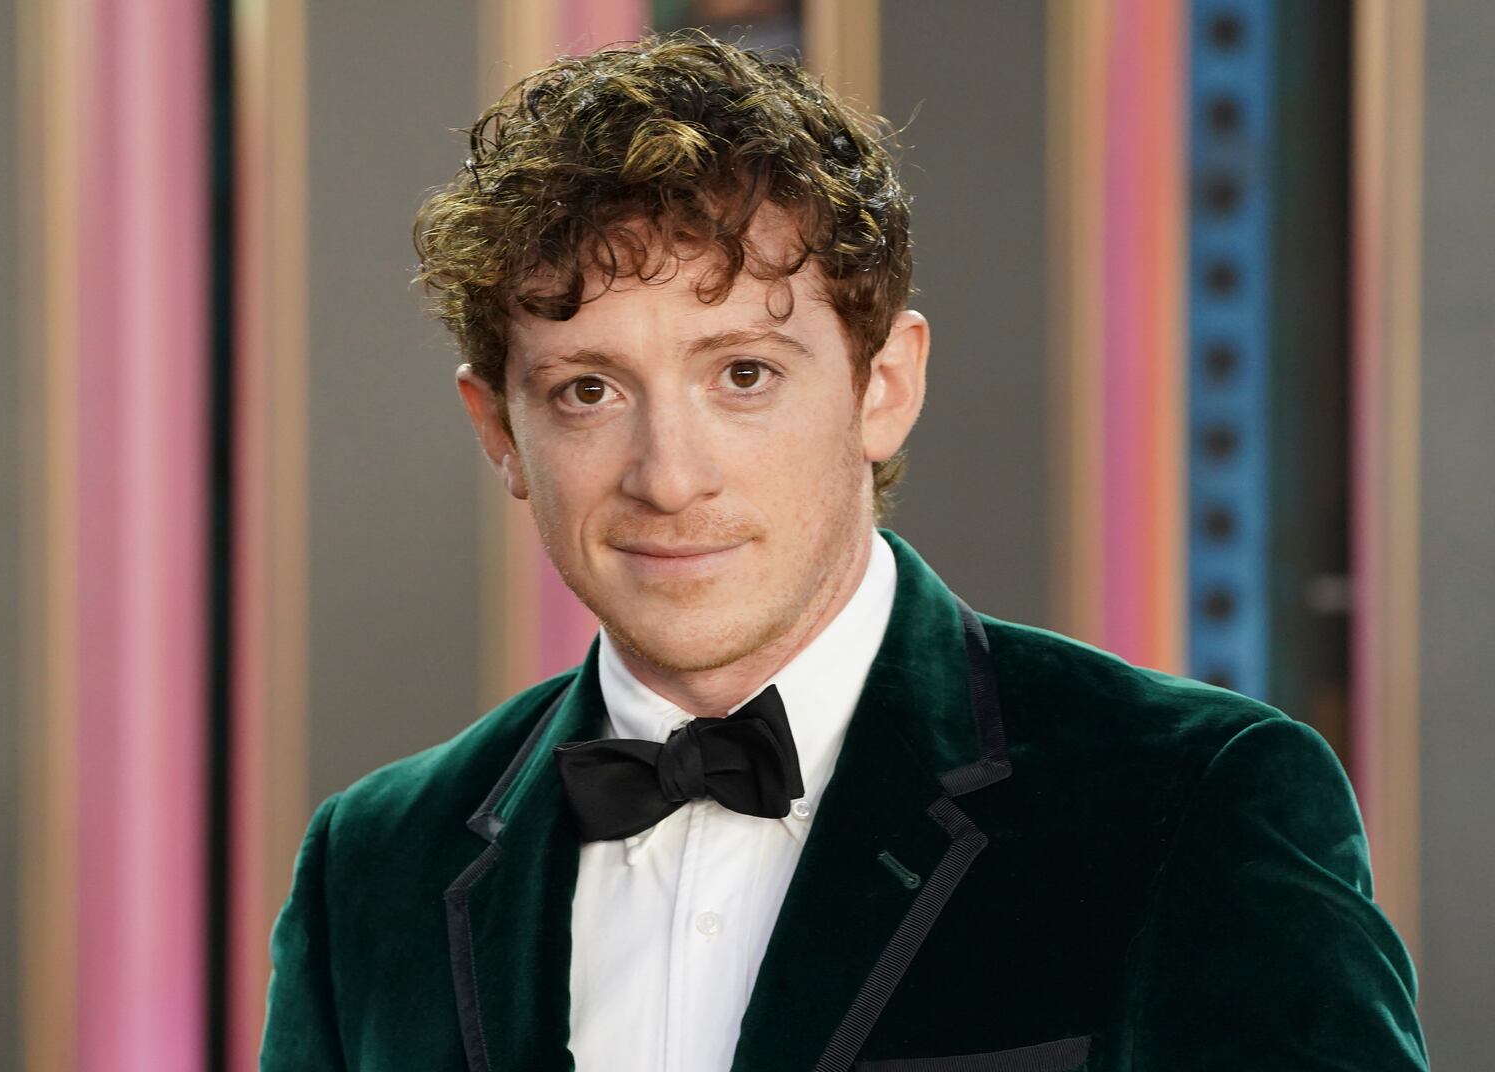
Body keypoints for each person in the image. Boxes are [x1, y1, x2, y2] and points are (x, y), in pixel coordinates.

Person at [260, 31, 1428, 1072]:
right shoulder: (373, 866)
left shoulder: (1195, 802)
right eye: (586, 390)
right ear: (499, 429)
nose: (668, 475)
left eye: (744, 374)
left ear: (885, 387)